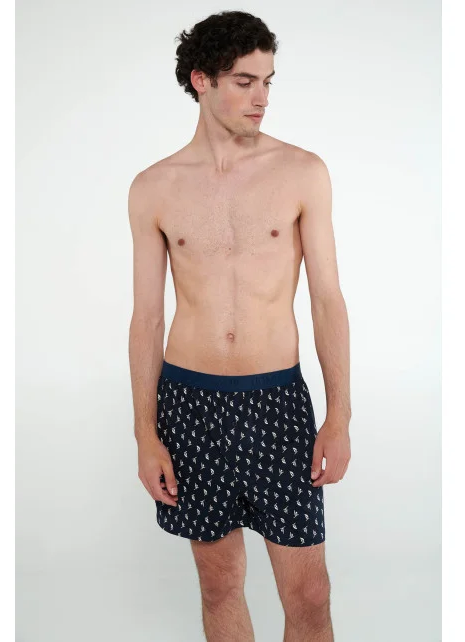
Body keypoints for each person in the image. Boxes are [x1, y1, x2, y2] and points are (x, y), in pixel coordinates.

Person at [128, 10, 351, 641]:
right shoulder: (153, 187)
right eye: (244, 82)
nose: (262, 98)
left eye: (268, 81)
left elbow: (327, 299)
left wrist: (339, 415)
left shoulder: (302, 171)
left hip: (276, 400)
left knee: (309, 593)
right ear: (201, 80)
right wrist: (145, 433)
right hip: (190, 402)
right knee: (219, 584)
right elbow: (146, 319)